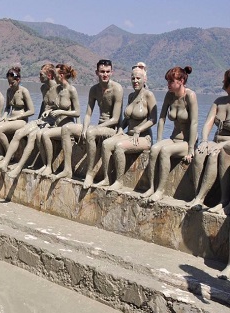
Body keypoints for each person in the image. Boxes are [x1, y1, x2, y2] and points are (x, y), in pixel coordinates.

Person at [54, 60, 123, 186]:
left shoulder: (117, 89)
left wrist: (94, 128)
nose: (105, 74)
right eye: (102, 72)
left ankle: (89, 174)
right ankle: (67, 169)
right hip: (97, 127)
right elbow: (88, 114)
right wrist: (85, 128)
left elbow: (115, 119)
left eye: (108, 72)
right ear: (97, 73)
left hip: (111, 128)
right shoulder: (94, 89)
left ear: (112, 72)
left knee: (91, 132)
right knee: (66, 128)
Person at [96, 65, 158, 191]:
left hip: (143, 138)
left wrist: (139, 129)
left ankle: (119, 181)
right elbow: (127, 119)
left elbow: (154, 119)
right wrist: (120, 129)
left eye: (138, 78)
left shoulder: (149, 95)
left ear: (144, 79)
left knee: (119, 147)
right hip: (128, 134)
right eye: (133, 78)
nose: (135, 81)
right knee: (106, 144)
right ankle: (107, 178)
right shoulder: (131, 96)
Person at [141, 66, 198, 202]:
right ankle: (151, 187)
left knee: (165, 151)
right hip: (173, 138)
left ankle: (160, 190)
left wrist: (191, 149)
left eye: (171, 82)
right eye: (168, 81)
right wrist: (159, 140)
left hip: (187, 141)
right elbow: (161, 119)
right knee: (155, 149)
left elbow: (195, 122)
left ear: (182, 81)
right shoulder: (169, 95)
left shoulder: (190, 96)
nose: (168, 85)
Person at [0, 64, 57, 178]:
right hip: (42, 120)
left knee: (33, 135)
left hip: (53, 122)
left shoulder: (59, 89)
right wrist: (38, 120)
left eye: (41, 75)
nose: (39, 77)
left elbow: (64, 108)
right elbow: (44, 105)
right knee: (19, 133)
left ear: (49, 75)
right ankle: (5, 162)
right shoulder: (43, 88)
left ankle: (19, 167)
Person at [186, 70, 230, 210]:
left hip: (228, 144)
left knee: (215, 155)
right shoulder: (219, 102)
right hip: (216, 140)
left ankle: (219, 200)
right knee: (199, 154)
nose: (222, 82)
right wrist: (204, 140)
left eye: (224, 80)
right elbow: (207, 124)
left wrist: (223, 144)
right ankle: (197, 195)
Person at [39, 64, 81, 177]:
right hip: (58, 125)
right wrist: (49, 111)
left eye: (56, 74)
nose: (54, 76)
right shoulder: (59, 89)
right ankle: (46, 165)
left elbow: (77, 113)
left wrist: (61, 112)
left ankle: (49, 166)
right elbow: (56, 107)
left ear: (61, 75)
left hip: (67, 125)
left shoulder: (71, 90)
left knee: (46, 135)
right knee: (41, 134)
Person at [0, 67, 34, 163]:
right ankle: (2, 153)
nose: (10, 85)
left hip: (21, 120)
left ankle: (9, 154)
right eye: (9, 83)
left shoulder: (24, 91)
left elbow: (31, 111)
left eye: (12, 83)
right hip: (11, 119)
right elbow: (7, 108)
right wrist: (3, 117)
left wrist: (17, 117)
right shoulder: (9, 91)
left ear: (18, 80)